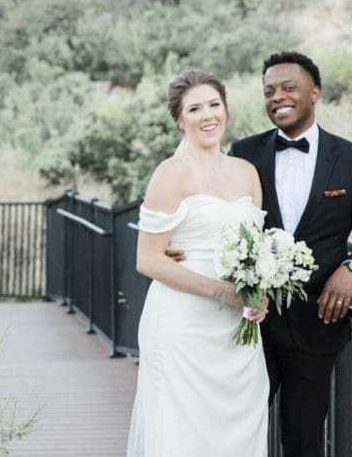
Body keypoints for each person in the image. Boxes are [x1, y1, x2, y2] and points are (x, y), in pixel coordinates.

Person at [228, 51, 352, 457]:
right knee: (232, 434)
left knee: (303, 442)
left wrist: (351, 269)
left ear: (314, 92)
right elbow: (222, 223)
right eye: (269, 91)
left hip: (317, 327)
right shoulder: (243, 153)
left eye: (289, 88)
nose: (277, 98)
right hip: (250, 326)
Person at [127, 68, 271, 457]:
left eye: (214, 104)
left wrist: (260, 293)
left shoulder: (247, 172)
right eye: (195, 109)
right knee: (182, 432)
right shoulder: (171, 173)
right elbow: (148, 259)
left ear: (225, 109)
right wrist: (220, 291)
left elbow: (253, 251)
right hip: (183, 324)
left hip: (236, 329)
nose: (208, 115)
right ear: (180, 119)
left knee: (239, 429)